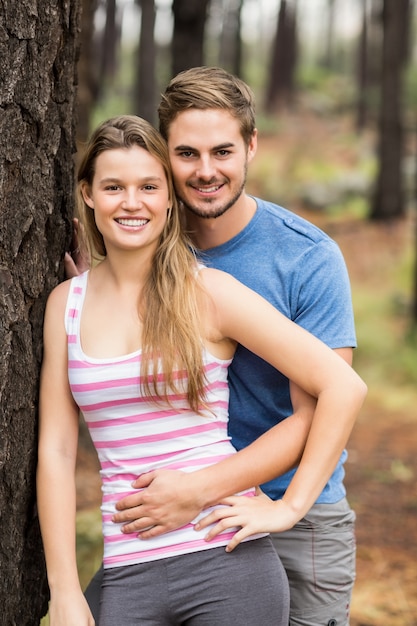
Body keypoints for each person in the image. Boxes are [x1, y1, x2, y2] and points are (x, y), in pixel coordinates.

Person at [64, 68, 364, 626]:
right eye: (186, 154)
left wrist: (257, 500)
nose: (206, 172)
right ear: (163, 156)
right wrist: (104, 287)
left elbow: (325, 402)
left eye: (223, 151)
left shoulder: (305, 258)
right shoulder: (144, 238)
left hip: (289, 508)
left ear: (252, 145)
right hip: (170, 523)